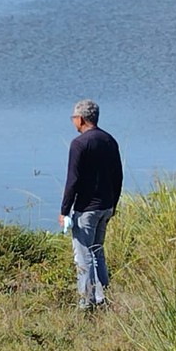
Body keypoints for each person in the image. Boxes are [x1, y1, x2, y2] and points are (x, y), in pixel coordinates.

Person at [60, 99, 123, 310]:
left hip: (87, 209)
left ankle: (85, 303)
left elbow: (73, 180)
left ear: (80, 118)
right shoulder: (109, 140)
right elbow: (118, 176)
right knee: (97, 252)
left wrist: (64, 211)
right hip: (106, 207)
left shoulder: (79, 144)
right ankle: (103, 298)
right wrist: (112, 205)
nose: (73, 122)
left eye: (73, 118)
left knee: (83, 255)